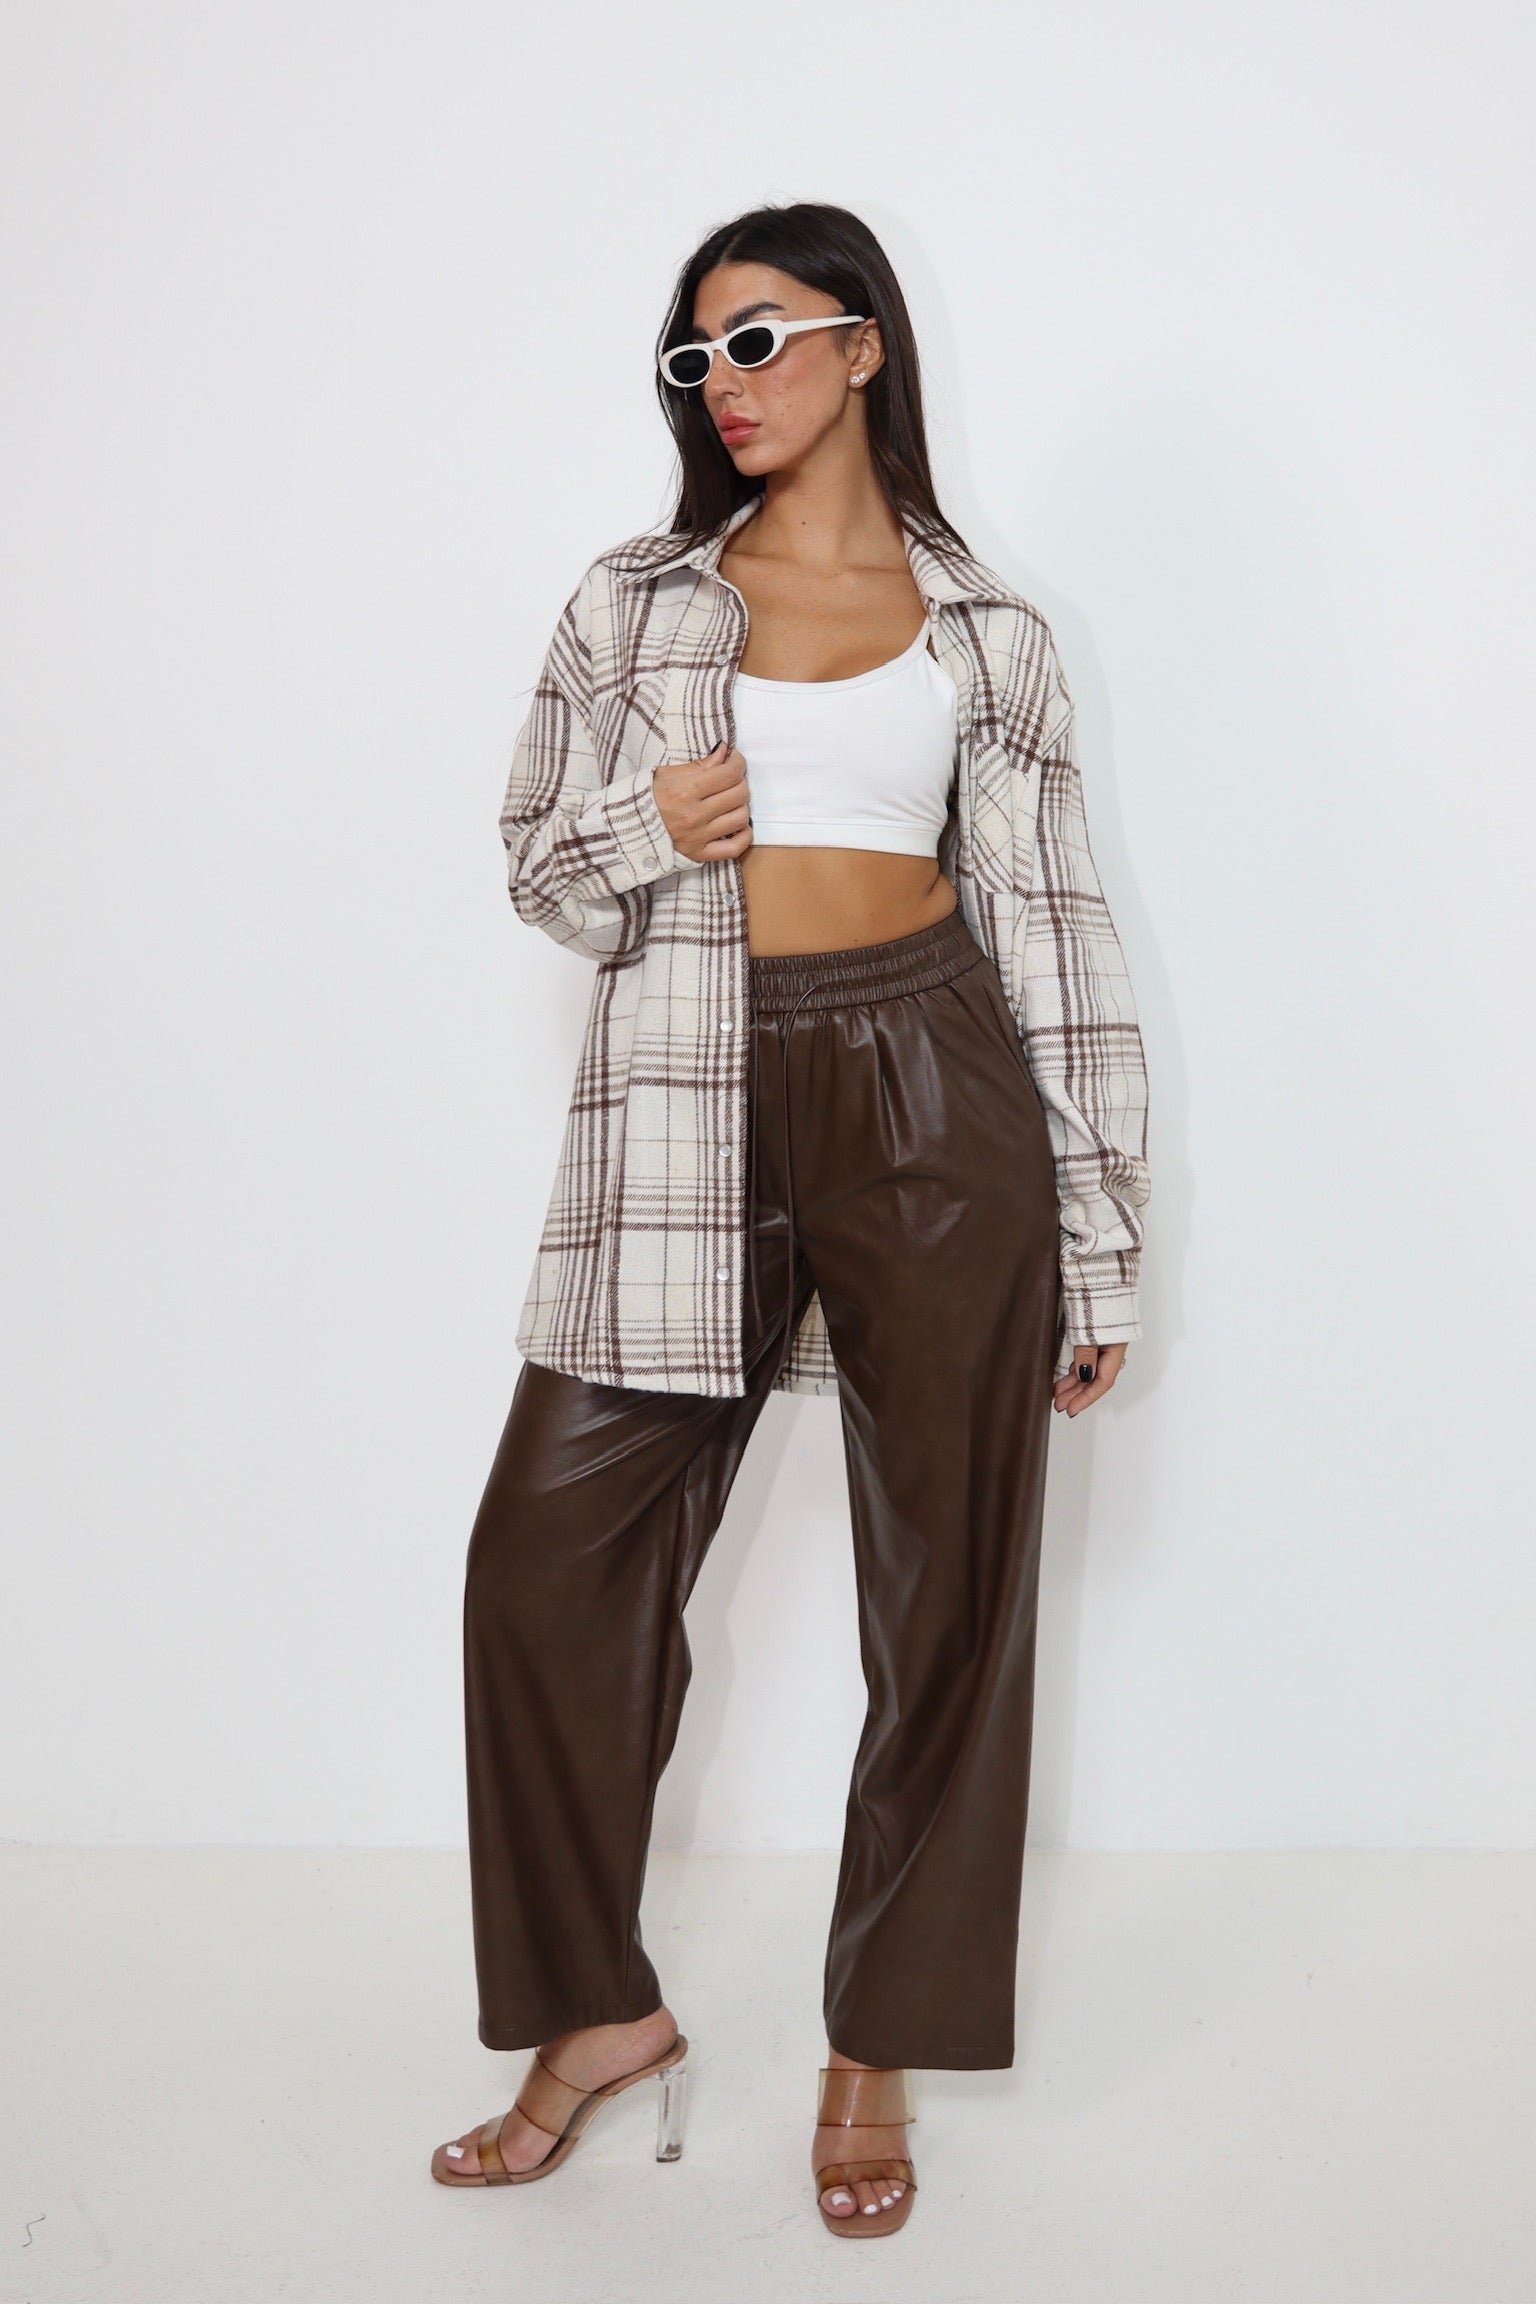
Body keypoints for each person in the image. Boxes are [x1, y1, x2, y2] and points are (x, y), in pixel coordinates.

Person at [429, 200, 1151, 2238]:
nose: (722, 384)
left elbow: (1059, 936)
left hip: (935, 1084)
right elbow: (539, 870)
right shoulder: (636, 599)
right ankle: (595, 2016)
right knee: (540, 1567)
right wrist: (648, 822)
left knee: (952, 1593)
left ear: (861, 346)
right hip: (689, 1091)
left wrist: (1102, 1235)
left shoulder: (990, 633)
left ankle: (873, 2045)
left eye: (756, 339)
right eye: (696, 356)